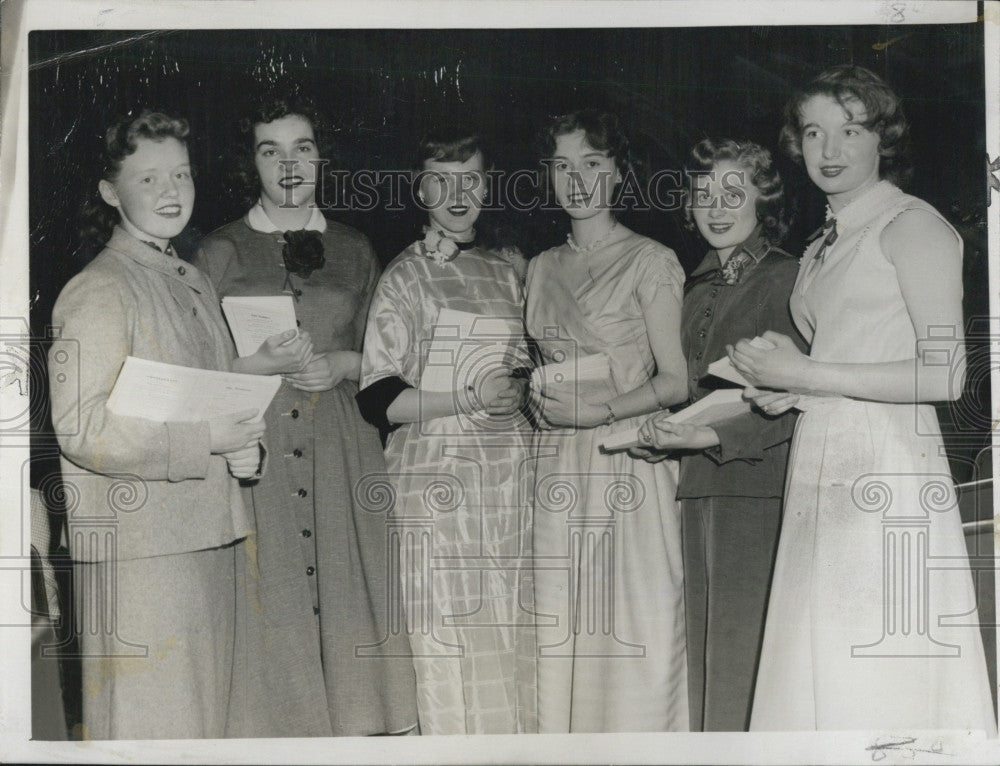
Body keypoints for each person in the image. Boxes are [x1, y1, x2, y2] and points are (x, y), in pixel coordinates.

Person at [729, 65, 996, 731]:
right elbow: (851, 354)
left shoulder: (913, 226)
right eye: (814, 131)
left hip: (888, 467)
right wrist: (786, 390)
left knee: (873, 655)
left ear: (884, 137)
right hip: (824, 458)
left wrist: (807, 375)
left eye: (850, 130)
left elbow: (947, 377)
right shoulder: (825, 242)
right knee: (819, 656)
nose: (830, 149)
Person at [47, 110, 293, 739]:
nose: (171, 192)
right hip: (142, 554)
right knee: (153, 730)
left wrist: (244, 452)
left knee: (206, 727)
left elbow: (214, 395)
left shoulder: (192, 281)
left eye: (180, 175)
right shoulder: (100, 287)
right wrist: (206, 440)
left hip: (209, 538)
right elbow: (80, 427)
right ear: (110, 193)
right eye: (149, 179)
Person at [192, 93, 418, 737]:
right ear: (252, 164)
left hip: (341, 444)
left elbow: (386, 354)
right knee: (271, 599)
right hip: (255, 448)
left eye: (303, 148)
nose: (288, 164)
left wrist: (345, 363)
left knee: (353, 597)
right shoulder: (219, 250)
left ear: (322, 158)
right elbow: (199, 364)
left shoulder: (355, 246)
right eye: (270, 150)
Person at [356, 127, 536, 735]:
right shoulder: (404, 277)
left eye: (471, 179)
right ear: (419, 187)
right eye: (440, 178)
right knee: (445, 638)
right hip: (434, 483)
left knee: (508, 632)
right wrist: (466, 394)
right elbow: (379, 400)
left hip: (506, 482)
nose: (457, 193)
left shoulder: (508, 271)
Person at [525, 110, 689, 732]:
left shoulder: (651, 260)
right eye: (563, 166)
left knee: (632, 635)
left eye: (593, 164)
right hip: (556, 467)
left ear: (619, 174)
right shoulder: (538, 267)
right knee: (564, 633)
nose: (578, 179)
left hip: (626, 460)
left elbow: (675, 381)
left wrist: (600, 410)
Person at [632, 138, 804, 731]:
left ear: (765, 198)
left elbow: (796, 400)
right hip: (696, 485)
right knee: (705, 655)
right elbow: (683, 387)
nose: (717, 206)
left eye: (734, 192)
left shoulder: (787, 276)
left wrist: (708, 438)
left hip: (759, 487)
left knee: (746, 659)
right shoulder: (693, 286)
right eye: (704, 193)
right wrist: (658, 428)